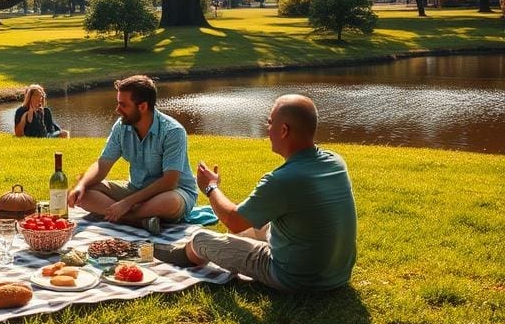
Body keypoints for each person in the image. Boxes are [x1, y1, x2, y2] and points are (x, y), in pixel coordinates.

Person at [183, 94, 357, 292]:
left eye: (270, 122)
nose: (267, 129)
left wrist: (210, 187)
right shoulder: (336, 162)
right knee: (247, 225)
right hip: (338, 275)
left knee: (200, 240)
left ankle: (176, 254)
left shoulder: (282, 180)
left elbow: (233, 219)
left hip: (295, 278)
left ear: (284, 130)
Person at [67, 75, 197, 235]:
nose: (117, 109)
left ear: (142, 106)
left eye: (123, 105)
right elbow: (102, 164)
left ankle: (126, 215)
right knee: (85, 192)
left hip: (173, 191)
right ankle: (139, 220)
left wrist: (126, 203)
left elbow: (169, 182)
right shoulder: (121, 126)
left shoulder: (173, 132)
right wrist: (81, 186)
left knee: (170, 202)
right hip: (136, 189)